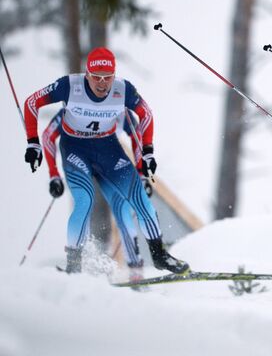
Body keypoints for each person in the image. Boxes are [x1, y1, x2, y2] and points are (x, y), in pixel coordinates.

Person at [23, 47, 189, 275]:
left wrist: (147, 155)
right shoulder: (70, 86)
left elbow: (146, 116)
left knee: (139, 199)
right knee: (84, 201)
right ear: (87, 74)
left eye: (108, 78)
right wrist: (34, 145)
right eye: (97, 78)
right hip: (75, 149)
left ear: (114, 75)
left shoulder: (123, 90)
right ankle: (74, 265)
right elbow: (32, 103)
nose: (102, 84)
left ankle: (158, 257)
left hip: (108, 149)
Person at [43, 108, 151, 280]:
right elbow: (48, 135)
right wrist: (54, 175)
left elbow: (137, 134)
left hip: (110, 163)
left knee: (122, 208)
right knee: (90, 209)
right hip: (83, 165)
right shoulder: (74, 105)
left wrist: (140, 174)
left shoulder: (115, 104)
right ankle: (83, 265)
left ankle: (134, 269)